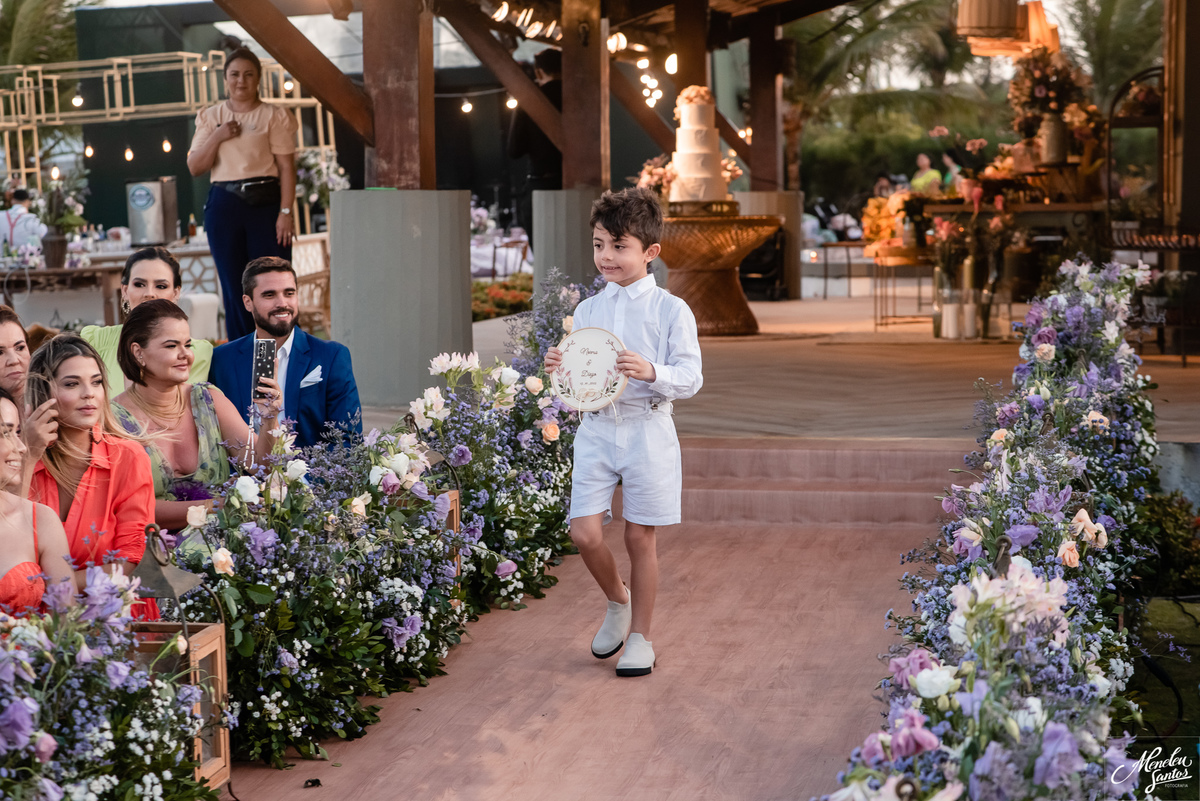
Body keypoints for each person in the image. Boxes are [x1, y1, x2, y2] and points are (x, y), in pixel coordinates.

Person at [543, 187, 703, 677]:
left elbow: (691, 376)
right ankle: (618, 599)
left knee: (640, 538)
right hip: (595, 431)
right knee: (584, 533)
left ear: (650, 253)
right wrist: (558, 367)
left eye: (619, 246)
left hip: (647, 431)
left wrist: (651, 370)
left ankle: (641, 638)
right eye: (598, 245)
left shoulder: (670, 310)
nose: (606, 257)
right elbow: (582, 380)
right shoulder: (589, 311)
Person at [112, 300, 281, 530]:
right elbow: (125, 508)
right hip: (154, 550)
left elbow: (261, 466)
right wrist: (214, 507)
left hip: (224, 546)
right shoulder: (112, 420)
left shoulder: (209, 400)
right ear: (138, 352)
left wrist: (270, 417)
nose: (185, 355)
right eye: (171, 346)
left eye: (187, 344)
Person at [25, 334, 158, 617]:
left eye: (96, 382)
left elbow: (132, 561)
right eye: (72, 384)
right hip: (34, 630)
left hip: (115, 621)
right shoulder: (19, 460)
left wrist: (61, 589)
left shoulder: (128, 457)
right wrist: (30, 455)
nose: (90, 393)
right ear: (44, 394)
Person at [187, 46, 299, 341]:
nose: (241, 81)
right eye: (234, 74)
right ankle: (242, 352)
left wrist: (286, 212)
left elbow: (287, 168)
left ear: (258, 79)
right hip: (225, 204)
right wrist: (219, 135)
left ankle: (280, 348)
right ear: (225, 79)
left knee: (271, 279)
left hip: (266, 203)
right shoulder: (212, 117)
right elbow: (195, 165)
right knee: (235, 284)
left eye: (248, 75)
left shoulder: (273, 116)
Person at [210, 256, 361, 449]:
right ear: (248, 302)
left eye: (289, 293)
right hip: (242, 475)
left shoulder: (332, 356)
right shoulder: (222, 360)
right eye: (269, 295)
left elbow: (348, 441)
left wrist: (299, 479)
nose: (282, 303)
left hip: (309, 476)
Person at [81, 247, 214, 393]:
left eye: (161, 286)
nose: (149, 294)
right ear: (125, 291)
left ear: (176, 293)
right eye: (139, 284)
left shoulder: (195, 353)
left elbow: (181, 409)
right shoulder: (96, 341)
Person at [0, 386, 74, 614]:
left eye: (19, 432)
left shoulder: (39, 520)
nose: (21, 447)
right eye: (5, 433)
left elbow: (66, 625)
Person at [0, 307, 60, 493]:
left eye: (20, 347)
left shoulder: (56, 401)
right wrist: (31, 451)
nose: (14, 360)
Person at [508, 48, 563, 243]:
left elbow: (514, 149)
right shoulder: (579, 100)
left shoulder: (530, 101)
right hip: (576, 188)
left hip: (540, 185)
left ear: (539, 72)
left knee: (543, 251)